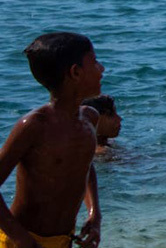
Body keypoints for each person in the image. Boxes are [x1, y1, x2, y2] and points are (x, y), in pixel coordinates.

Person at [0, 32, 104, 248]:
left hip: (64, 240)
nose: (101, 68)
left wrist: (94, 214)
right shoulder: (34, 126)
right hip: (22, 241)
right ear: (75, 72)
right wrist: (21, 238)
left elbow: (85, 165)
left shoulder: (90, 118)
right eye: (95, 62)